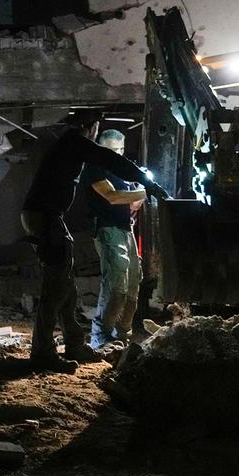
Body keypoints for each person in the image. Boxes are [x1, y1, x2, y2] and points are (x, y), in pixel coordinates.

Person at [20, 110, 167, 373]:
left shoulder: (68, 143)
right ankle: (42, 352)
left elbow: (110, 160)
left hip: (49, 216)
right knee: (55, 288)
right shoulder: (75, 142)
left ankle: (75, 344)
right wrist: (147, 182)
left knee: (67, 286)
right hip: (45, 217)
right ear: (92, 127)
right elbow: (109, 159)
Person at [82, 130, 148, 350]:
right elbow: (112, 196)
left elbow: (131, 203)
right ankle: (101, 337)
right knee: (116, 286)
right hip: (108, 230)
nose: (117, 155)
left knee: (132, 287)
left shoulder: (123, 170)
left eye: (120, 150)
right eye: (112, 150)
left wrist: (138, 192)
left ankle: (122, 336)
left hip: (126, 230)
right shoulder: (95, 168)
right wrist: (144, 192)